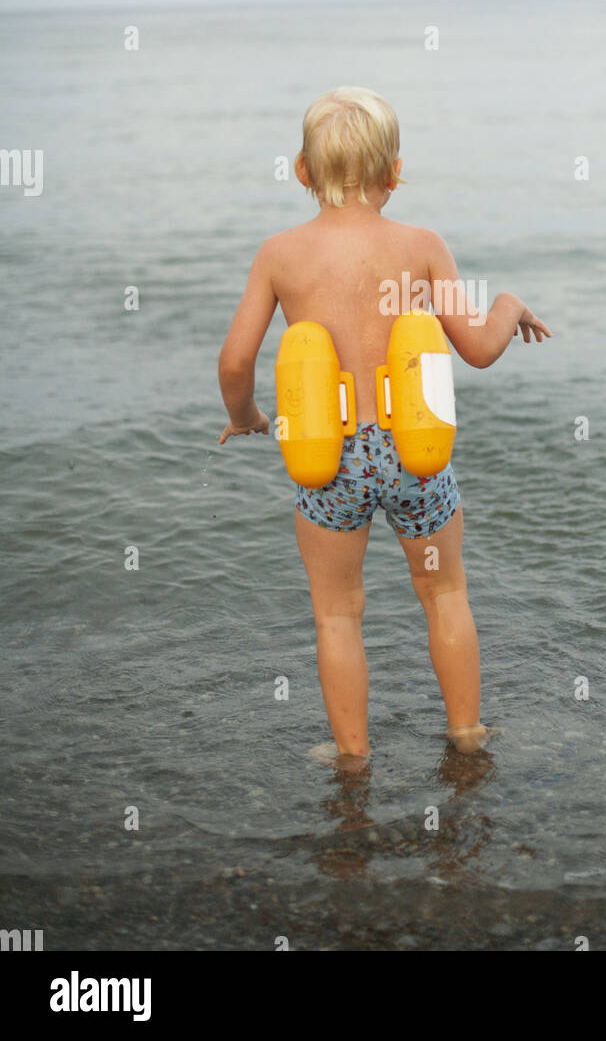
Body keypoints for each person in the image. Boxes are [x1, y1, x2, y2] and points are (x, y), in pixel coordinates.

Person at [218, 87, 550, 765]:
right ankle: (465, 735)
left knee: (338, 613)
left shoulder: (280, 255)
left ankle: (353, 759)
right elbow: (480, 350)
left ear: (302, 172)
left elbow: (235, 360)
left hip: (331, 459)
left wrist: (247, 417)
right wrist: (509, 305)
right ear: (394, 174)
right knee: (445, 593)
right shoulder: (422, 247)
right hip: (413, 454)